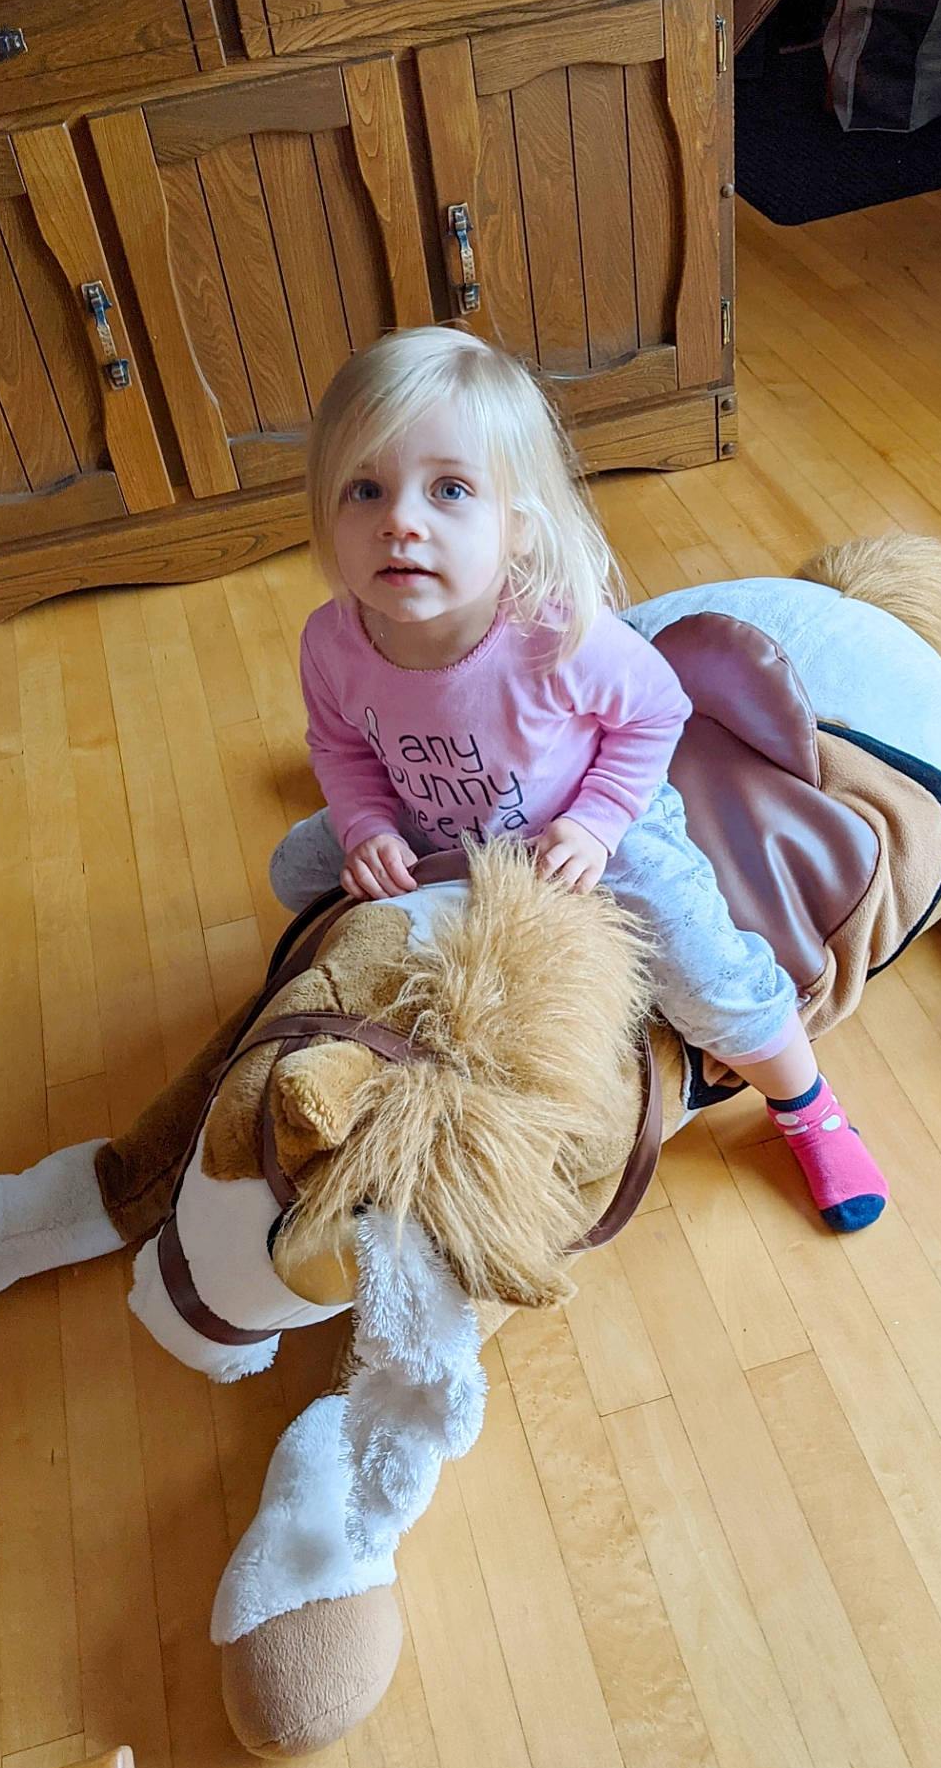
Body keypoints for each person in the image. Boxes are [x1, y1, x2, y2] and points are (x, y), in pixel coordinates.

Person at [269, 327, 887, 1232]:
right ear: (328, 512)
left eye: (449, 490)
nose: (401, 520)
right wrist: (364, 825)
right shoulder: (333, 641)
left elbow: (656, 714)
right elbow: (338, 745)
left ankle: (807, 1105)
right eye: (366, 489)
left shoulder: (552, 634)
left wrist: (599, 823)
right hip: (429, 822)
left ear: (517, 525)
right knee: (295, 869)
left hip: (579, 827)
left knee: (703, 968)